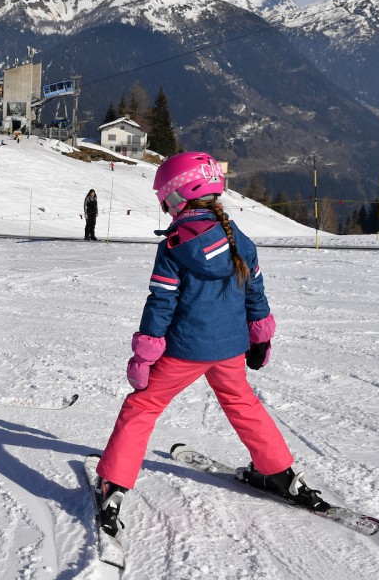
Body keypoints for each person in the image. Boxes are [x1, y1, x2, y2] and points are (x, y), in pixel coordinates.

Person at [92, 152, 319, 539]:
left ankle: (114, 485)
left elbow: (160, 304)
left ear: (177, 198)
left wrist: (144, 356)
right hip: (229, 349)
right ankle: (279, 473)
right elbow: (256, 292)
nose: (163, 206)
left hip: (184, 351)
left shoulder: (175, 247)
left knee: (142, 406)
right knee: (242, 403)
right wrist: (260, 337)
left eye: (164, 199)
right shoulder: (238, 237)